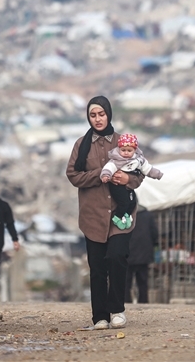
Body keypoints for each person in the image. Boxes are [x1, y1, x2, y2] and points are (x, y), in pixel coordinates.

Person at [66, 96, 143, 330]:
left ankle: (117, 310)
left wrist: (127, 178)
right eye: (93, 115)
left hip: (122, 214)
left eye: (101, 114)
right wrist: (100, 174)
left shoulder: (124, 141)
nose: (97, 119)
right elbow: (73, 175)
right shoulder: (82, 144)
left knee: (117, 258)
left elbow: (139, 174)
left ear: (109, 114)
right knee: (98, 267)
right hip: (93, 215)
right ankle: (100, 317)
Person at [100, 133, 163, 229]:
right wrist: (105, 175)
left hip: (129, 186)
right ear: (119, 149)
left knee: (133, 201)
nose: (126, 153)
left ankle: (126, 215)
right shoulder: (116, 160)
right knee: (124, 202)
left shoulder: (138, 160)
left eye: (129, 150)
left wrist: (157, 174)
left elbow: (148, 169)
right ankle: (117, 218)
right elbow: (109, 167)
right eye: (123, 150)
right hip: (117, 186)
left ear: (135, 150)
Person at [125, 207, 158, 304]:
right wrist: (153, 244)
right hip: (144, 252)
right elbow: (154, 233)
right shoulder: (148, 215)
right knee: (143, 281)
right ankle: (143, 301)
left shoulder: (125, 214)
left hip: (127, 252)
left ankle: (126, 301)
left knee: (126, 281)